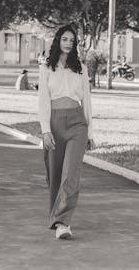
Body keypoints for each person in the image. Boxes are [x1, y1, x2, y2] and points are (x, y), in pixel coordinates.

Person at [38, 24, 95, 240]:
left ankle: (62, 222)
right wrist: (45, 130)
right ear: (58, 41)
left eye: (72, 40)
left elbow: (87, 100)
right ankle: (55, 216)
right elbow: (43, 101)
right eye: (65, 39)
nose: (69, 43)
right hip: (54, 123)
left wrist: (90, 132)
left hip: (77, 123)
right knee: (55, 175)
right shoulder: (46, 68)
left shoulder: (80, 67)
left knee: (70, 174)